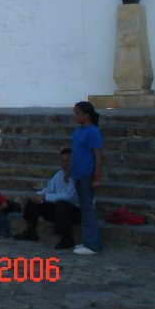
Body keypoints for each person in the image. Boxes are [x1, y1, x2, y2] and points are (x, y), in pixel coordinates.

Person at [14, 148, 81, 249]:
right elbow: (48, 189)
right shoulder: (59, 175)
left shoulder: (78, 176)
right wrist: (38, 195)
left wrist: (45, 197)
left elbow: (71, 197)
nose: (65, 164)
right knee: (34, 201)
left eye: (68, 161)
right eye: (63, 161)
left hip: (76, 212)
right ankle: (30, 231)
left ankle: (67, 238)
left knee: (62, 204)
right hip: (59, 210)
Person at [70, 101, 104, 255]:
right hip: (77, 173)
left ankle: (93, 244)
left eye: (78, 113)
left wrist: (96, 176)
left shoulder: (93, 132)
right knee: (84, 208)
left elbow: (98, 155)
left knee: (88, 209)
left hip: (87, 174)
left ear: (86, 115)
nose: (75, 116)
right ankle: (88, 241)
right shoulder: (78, 131)